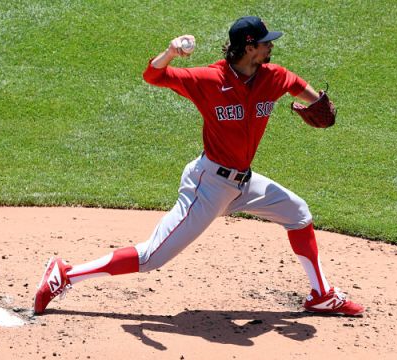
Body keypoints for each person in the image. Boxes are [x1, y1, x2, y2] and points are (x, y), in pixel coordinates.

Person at [33, 16, 364, 316]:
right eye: (265, 42)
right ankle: (65, 274)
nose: (271, 46)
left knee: (298, 213)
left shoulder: (273, 77)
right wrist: (170, 52)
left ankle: (320, 293)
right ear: (250, 47)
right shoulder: (208, 79)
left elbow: (302, 90)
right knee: (151, 258)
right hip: (208, 185)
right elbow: (154, 76)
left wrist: (315, 103)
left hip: (244, 184)